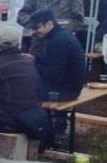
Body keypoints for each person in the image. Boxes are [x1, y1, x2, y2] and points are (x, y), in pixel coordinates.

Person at [26, 9, 85, 139]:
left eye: (37, 27)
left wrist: (32, 64)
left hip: (66, 91)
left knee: (24, 91)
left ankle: (40, 135)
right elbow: (54, 65)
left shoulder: (58, 41)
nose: (35, 32)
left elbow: (53, 75)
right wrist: (35, 59)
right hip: (69, 86)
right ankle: (55, 129)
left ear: (49, 24)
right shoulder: (62, 35)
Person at [17, 0, 84, 54]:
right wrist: (37, 26)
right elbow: (21, 15)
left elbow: (78, 21)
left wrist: (55, 29)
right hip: (38, 48)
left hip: (61, 47)